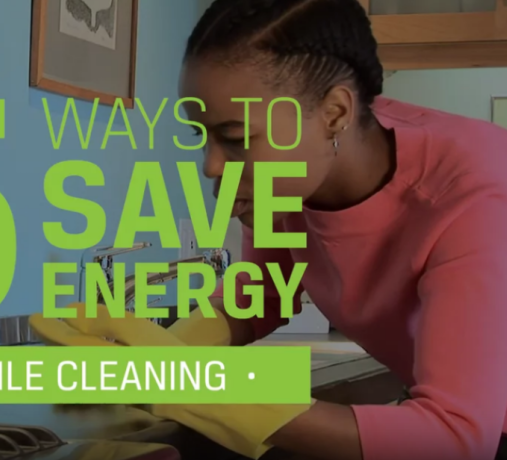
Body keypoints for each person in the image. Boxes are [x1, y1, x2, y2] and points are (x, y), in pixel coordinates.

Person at [178, 0, 507, 459]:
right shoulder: (300, 166)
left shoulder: (474, 193)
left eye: (235, 138)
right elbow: (267, 291)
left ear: (334, 113)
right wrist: (171, 349)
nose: (211, 166)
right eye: (202, 136)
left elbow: (457, 437)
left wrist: (204, 395)